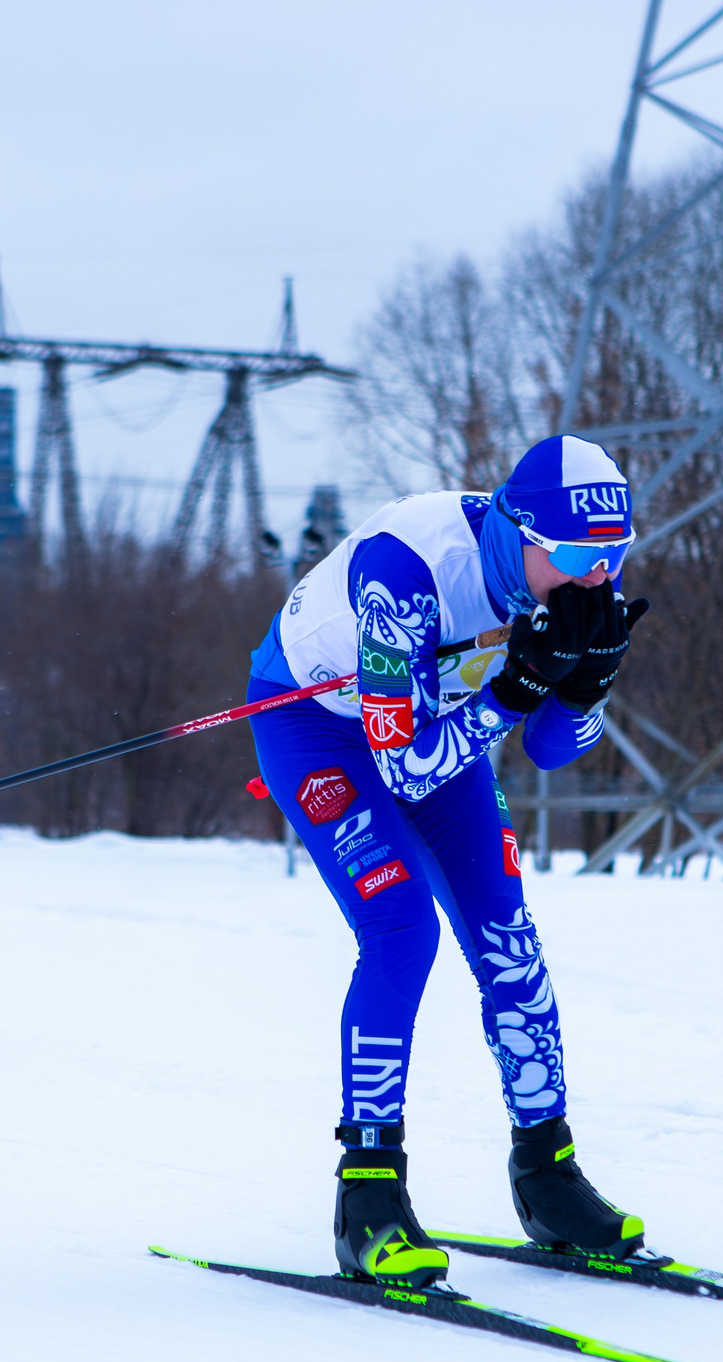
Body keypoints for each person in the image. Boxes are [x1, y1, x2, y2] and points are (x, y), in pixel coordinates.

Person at [248, 433, 651, 1287]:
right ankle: (367, 1198)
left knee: (509, 942)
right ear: (521, 530)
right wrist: (516, 687)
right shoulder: (410, 569)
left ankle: (548, 1173)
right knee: (401, 932)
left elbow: (548, 750)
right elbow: (405, 769)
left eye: (614, 556)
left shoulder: (570, 578)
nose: (596, 577)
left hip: (436, 730)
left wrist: (585, 688)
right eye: (580, 556)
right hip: (318, 726)